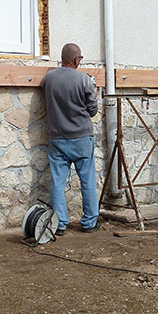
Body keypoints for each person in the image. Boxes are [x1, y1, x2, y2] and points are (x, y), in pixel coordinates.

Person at [42, 43, 100, 235]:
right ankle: (89, 222)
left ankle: (59, 224)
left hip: (57, 139)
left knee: (57, 182)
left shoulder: (49, 78)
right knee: (87, 180)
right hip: (82, 138)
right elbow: (92, 111)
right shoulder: (84, 80)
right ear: (77, 60)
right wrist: (95, 94)